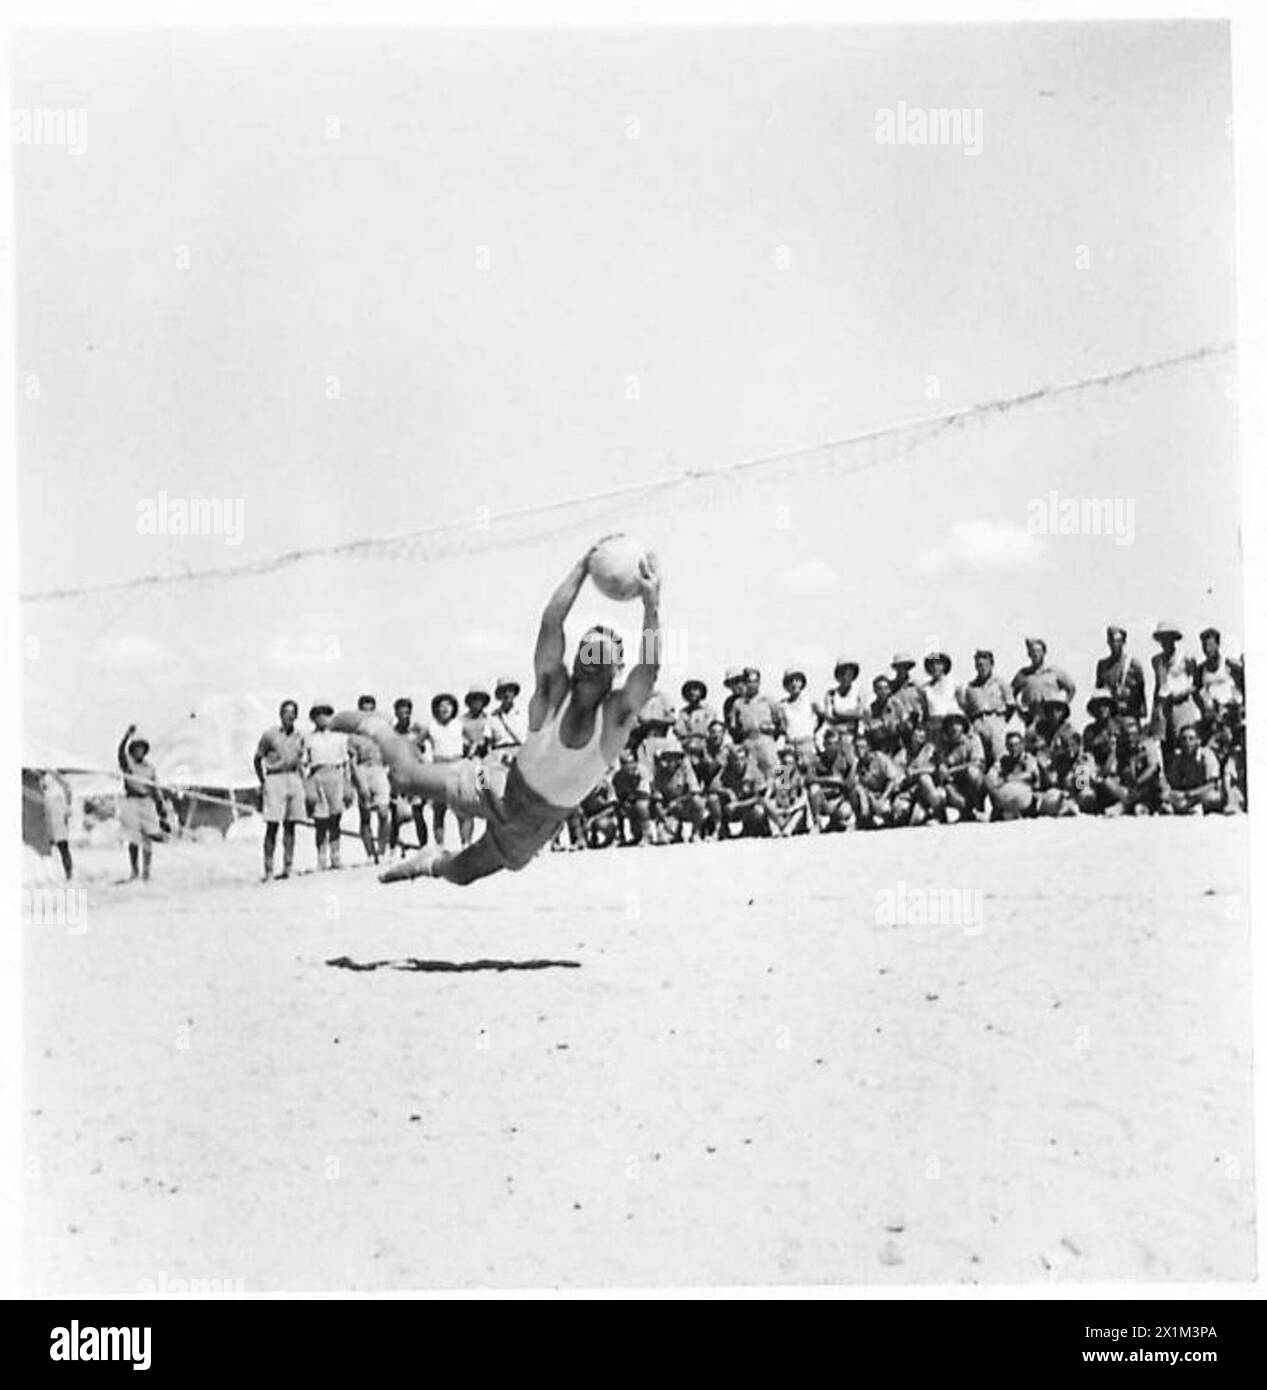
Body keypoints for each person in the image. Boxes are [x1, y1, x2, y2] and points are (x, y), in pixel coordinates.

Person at [337, 543, 663, 884]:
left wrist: (651, 604)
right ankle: (377, 728)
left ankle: (431, 862)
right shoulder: (554, 691)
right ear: (577, 659)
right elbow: (552, 621)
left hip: (536, 824)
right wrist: (583, 567)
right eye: (588, 648)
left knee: (461, 873)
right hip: (497, 783)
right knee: (405, 776)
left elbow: (650, 668)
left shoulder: (615, 716)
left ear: (617, 667)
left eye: (603, 652)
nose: (594, 656)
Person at [254, 700, 306, 880]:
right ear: (280, 715)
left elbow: (301, 759)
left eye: (293, 713)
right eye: (286, 712)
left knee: (290, 825)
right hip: (274, 778)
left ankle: (288, 867)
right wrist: (263, 781)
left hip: (293, 778)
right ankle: (268, 870)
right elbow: (257, 758)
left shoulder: (300, 736)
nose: (289, 716)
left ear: (296, 716)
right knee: (272, 825)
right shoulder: (270, 735)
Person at [117, 725, 170, 881]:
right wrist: (127, 735)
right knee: (133, 837)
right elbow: (120, 754)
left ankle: (146, 872)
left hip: (146, 802)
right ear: (132, 750)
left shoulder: (150, 768)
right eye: (136, 748)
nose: (139, 751)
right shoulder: (128, 763)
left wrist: (162, 813)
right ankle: (134, 871)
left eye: (141, 749)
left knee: (148, 835)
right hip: (131, 801)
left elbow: (156, 791)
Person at [305, 703, 351, 871]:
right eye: (318, 714)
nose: (322, 717)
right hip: (317, 776)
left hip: (335, 776)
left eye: (326, 714)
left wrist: (347, 784)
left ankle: (336, 857)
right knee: (320, 821)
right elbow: (304, 765)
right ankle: (321, 858)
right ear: (313, 718)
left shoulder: (339, 737)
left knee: (335, 819)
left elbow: (346, 764)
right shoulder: (308, 738)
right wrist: (308, 785)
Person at [348, 695, 392, 863]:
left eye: (370, 711)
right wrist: (360, 783)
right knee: (365, 815)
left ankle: (381, 851)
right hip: (363, 771)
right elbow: (352, 762)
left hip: (380, 770)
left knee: (383, 812)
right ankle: (369, 853)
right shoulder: (354, 736)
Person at [388, 697, 430, 855]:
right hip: (398, 774)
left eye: (407, 711)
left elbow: (423, 751)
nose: (404, 714)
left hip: (415, 773)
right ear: (396, 713)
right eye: (401, 711)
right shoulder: (391, 732)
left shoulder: (417, 730)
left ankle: (424, 845)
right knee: (396, 813)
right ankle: (392, 848)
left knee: (418, 811)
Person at [957, 648, 1012, 766]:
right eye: (979, 665)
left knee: (999, 755)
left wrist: (1001, 721)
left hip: (996, 720)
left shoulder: (1000, 682)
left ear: (992, 665)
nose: (982, 668)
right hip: (978, 722)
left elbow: (1011, 705)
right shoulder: (971, 687)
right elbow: (967, 710)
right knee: (979, 756)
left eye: (985, 665)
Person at [1149, 621, 1199, 750]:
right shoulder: (1157, 661)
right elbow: (1158, 685)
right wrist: (1155, 710)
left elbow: (1195, 684)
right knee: (1165, 744)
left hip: (1181, 704)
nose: (1166, 642)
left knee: (1184, 741)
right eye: (1163, 639)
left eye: (1169, 638)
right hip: (1164, 706)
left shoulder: (1186, 658)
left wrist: (1181, 693)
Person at [428, 692, 465, 848]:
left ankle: (466, 845)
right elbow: (415, 742)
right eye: (441, 705)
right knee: (439, 809)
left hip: (457, 766)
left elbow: (476, 741)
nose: (444, 708)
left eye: (448, 705)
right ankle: (440, 847)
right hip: (439, 768)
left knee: (462, 809)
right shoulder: (431, 726)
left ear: (454, 708)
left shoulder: (460, 724)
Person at [730, 667, 784, 776]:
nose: (752, 685)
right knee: (752, 774)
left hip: (766, 740)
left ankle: (784, 791)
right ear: (744, 683)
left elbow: (781, 722)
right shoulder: (738, 703)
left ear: (759, 682)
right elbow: (733, 726)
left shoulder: (768, 700)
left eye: (755, 682)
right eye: (749, 682)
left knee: (777, 769)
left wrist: (773, 733)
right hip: (748, 742)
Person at [936, 710, 987, 822]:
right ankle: (962, 813)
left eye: (957, 723)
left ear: (963, 725)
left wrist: (952, 770)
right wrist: (942, 769)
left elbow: (977, 763)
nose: (954, 727)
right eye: (951, 724)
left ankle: (979, 809)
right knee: (941, 792)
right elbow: (942, 765)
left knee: (973, 772)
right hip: (955, 784)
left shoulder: (973, 740)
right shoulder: (944, 744)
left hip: (972, 783)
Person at [1010, 638, 1076, 724]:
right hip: (1033, 716)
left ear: (1044, 653)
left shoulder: (1053, 671)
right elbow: (1010, 693)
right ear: (1029, 654)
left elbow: (1071, 688)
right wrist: (1020, 711)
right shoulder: (1023, 674)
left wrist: (1063, 707)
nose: (1035, 654)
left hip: (1052, 716)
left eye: (1038, 651)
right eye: (1033, 651)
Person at [650, 746, 706, 843]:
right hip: (668, 809)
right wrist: (659, 806)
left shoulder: (686, 769)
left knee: (698, 801)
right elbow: (656, 793)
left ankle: (696, 833)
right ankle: (671, 832)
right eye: (667, 756)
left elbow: (694, 791)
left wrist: (677, 801)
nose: (670, 760)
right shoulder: (660, 771)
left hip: (683, 805)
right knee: (663, 840)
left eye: (674, 757)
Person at [1163, 724, 1223, 815]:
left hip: (1204, 793)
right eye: (1184, 739)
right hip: (1187, 795)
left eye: (1191, 739)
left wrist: (1192, 793)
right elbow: (1173, 782)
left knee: (1213, 797)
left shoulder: (1207, 755)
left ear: (1197, 741)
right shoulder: (1178, 758)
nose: (1187, 742)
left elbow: (1212, 783)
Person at [848, 727, 902, 829]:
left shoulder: (881, 758)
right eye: (857, 748)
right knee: (856, 790)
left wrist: (883, 798)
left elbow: (892, 780)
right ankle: (864, 819)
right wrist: (854, 765)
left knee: (886, 809)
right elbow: (851, 784)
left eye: (863, 747)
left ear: (869, 747)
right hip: (870, 796)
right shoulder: (858, 764)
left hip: (886, 795)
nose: (860, 751)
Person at [1094, 626, 1147, 722]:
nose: (1114, 644)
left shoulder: (1133, 664)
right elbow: (1099, 693)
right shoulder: (1103, 665)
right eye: (1112, 641)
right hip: (1109, 716)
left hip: (1128, 715)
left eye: (1118, 641)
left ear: (1123, 642)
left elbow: (1140, 693)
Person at [985, 729, 1039, 820]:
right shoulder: (1004, 760)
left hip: (1025, 797)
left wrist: (1011, 778)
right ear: (1006, 746)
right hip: (1007, 797)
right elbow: (993, 772)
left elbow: (1031, 774)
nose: (1014, 748)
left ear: (1022, 745)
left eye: (1016, 745)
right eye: (1010, 745)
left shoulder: (1028, 758)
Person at [817, 658, 865, 742]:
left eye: (849, 674)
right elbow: (829, 717)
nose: (846, 677)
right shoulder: (831, 694)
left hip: (852, 734)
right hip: (833, 734)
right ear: (838, 676)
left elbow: (860, 714)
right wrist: (851, 715)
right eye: (842, 674)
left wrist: (839, 714)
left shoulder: (859, 693)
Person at [779, 667, 819, 766]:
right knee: (781, 776)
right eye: (790, 681)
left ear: (802, 683)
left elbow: (822, 717)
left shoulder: (810, 701)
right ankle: (782, 781)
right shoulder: (783, 705)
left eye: (797, 680)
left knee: (810, 775)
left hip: (807, 744)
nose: (794, 684)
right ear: (786, 686)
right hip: (790, 746)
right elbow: (782, 726)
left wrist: (814, 730)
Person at [39, 768, 74, 881]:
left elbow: (67, 790)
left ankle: (68, 873)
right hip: (48, 810)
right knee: (51, 847)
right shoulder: (43, 776)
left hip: (56, 809)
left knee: (62, 846)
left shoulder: (54, 775)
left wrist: (68, 809)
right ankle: (51, 874)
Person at [920, 651, 959, 741]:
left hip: (951, 725)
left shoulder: (954, 684)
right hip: (933, 727)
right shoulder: (925, 688)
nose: (935, 667)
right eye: (932, 664)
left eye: (938, 663)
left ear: (944, 666)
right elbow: (925, 713)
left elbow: (963, 706)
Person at [488, 677, 527, 765]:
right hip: (499, 757)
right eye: (503, 691)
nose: (507, 694)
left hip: (521, 756)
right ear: (499, 695)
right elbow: (486, 746)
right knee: (481, 770)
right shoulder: (492, 718)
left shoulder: (524, 714)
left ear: (514, 693)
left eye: (510, 691)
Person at [675, 679, 716, 756]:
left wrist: (695, 733)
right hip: (687, 748)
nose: (692, 693)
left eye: (696, 689)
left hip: (705, 748)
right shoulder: (683, 712)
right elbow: (679, 731)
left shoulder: (708, 711)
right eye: (689, 690)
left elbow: (708, 731)